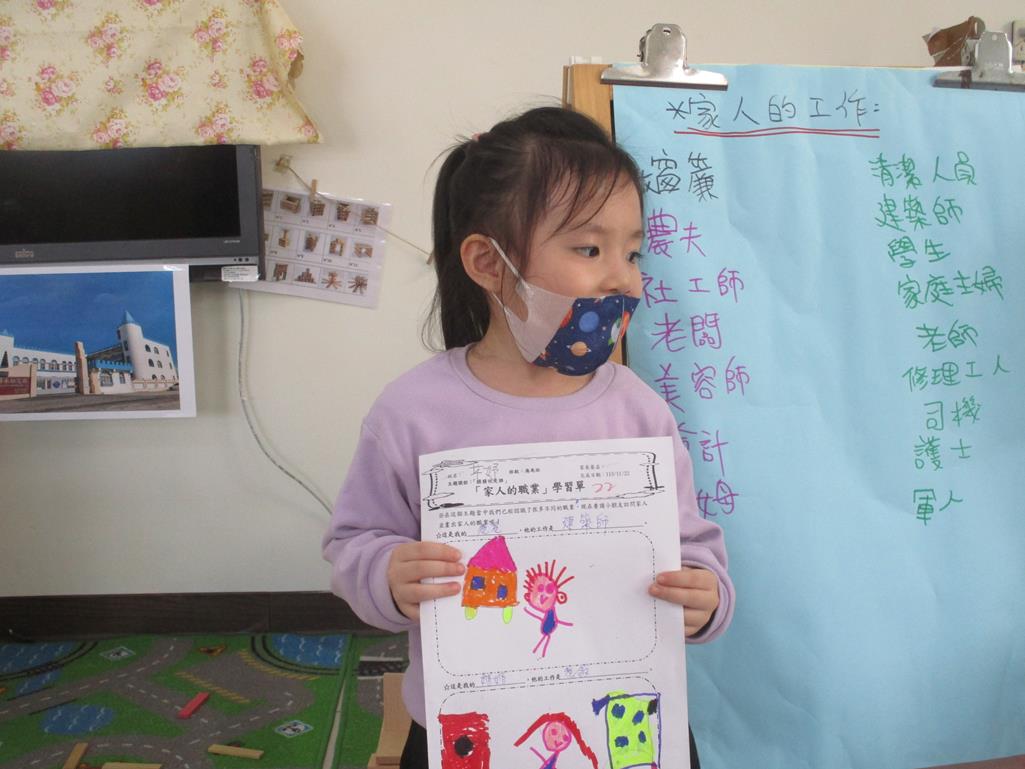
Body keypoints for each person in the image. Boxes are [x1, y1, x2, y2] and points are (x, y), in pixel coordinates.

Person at [322, 106, 734, 769]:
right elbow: (354, 542)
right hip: (470, 725)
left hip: (622, 719)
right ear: (489, 263)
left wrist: (704, 595)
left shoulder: (638, 410)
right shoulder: (412, 412)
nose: (622, 278)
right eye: (589, 249)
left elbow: (693, 547)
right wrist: (387, 573)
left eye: (632, 252)